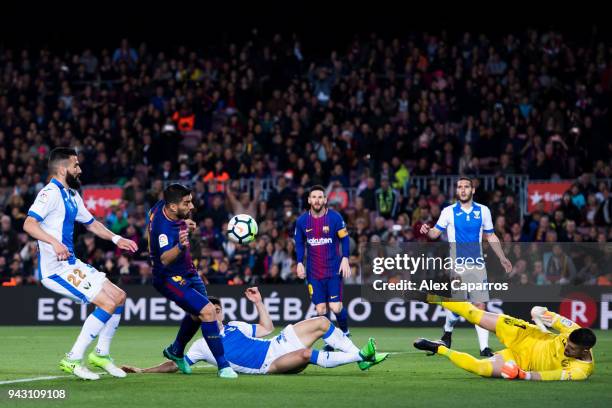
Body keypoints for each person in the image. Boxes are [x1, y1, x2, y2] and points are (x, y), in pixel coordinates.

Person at [23, 147, 139, 380]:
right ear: (63, 168)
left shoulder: (73, 195)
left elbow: (91, 223)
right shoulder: (50, 193)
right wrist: (54, 243)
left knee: (118, 297)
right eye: (76, 165)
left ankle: (101, 355)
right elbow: (29, 224)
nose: (80, 169)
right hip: (54, 270)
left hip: (71, 264)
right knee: (107, 303)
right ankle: (73, 358)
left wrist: (117, 238)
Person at [120, 288, 387, 375]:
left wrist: (258, 302)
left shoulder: (236, 325)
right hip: (270, 364)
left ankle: (360, 357)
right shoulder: (202, 345)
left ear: (221, 313)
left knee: (321, 321)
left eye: (217, 309)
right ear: (203, 316)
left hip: (276, 343)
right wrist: (144, 371)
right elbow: (175, 365)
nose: (214, 314)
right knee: (306, 353)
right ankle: (360, 356)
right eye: (209, 311)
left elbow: (267, 328)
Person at [147, 183, 237, 379]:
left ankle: (176, 351)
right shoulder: (163, 229)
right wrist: (179, 245)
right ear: (172, 207)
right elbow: (164, 258)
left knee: (199, 314)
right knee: (208, 311)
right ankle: (224, 366)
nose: (192, 207)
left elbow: (154, 213)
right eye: (187, 203)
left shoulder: (162, 207)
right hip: (168, 277)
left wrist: (184, 224)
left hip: (188, 270)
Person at [420, 177, 512, 356]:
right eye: (459, 187)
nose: (462, 190)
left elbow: (490, 236)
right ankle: (447, 333)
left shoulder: (483, 211)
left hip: (478, 265)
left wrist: (502, 257)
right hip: (457, 266)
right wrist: (427, 231)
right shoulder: (448, 211)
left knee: (480, 306)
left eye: (466, 187)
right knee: (458, 305)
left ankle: (484, 348)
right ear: (457, 191)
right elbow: (435, 233)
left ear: (473, 190)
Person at [413, 295, 595, 381]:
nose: (566, 348)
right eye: (567, 343)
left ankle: (439, 348)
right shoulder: (572, 329)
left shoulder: (580, 371)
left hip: (522, 361)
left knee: (480, 368)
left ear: (584, 351)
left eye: (571, 349)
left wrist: (524, 375)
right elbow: (544, 313)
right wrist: (538, 312)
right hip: (525, 334)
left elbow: (550, 376)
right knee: (474, 314)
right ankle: (431, 296)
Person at [294, 185, 352, 350]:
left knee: (336, 307)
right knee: (320, 310)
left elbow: (345, 239)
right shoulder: (302, 221)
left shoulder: (334, 218)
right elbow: (299, 243)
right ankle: (331, 342)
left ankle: (346, 333)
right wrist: (299, 262)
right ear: (309, 200)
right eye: (314, 197)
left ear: (325, 200)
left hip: (333, 270)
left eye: (320, 197)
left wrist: (345, 258)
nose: (317, 200)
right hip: (314, 273)